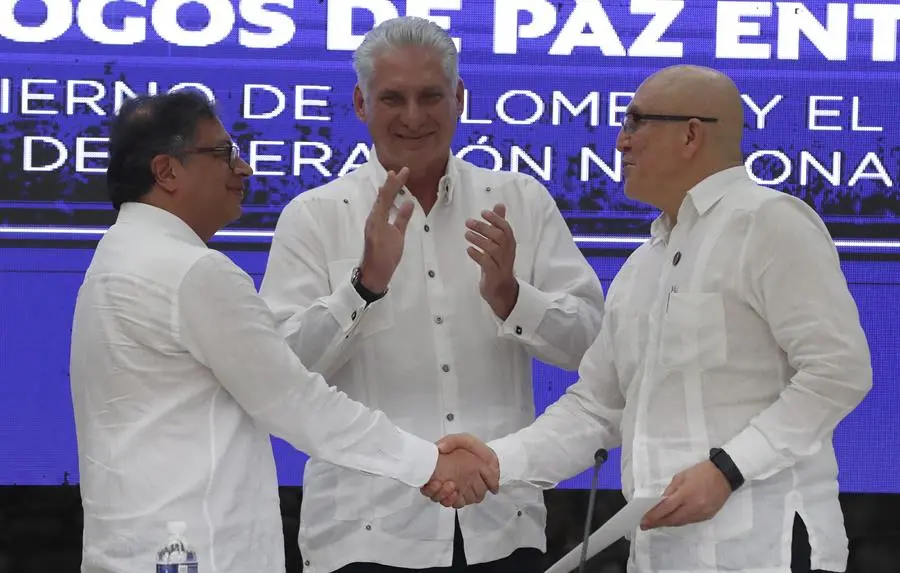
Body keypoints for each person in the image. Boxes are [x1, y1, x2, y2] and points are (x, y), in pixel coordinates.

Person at [427, 65, 873, 573]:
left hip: (768, 550)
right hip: (660, 555)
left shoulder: (769, 222)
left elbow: (838, 371)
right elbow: (596, 408)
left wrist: (728, 469)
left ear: (691, 135)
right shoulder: (643, 265)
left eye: (636, 122)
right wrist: (497, 462)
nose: (621, 141)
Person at [69, 90, 497, 573]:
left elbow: (277, 370)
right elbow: (297, 400)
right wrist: (429, 463)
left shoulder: (118, 256)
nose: (244, 168)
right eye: (224, 153)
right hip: (197, 553)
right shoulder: (190, 271)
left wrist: (364, 285)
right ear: (166, 171)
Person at [259, 16, 605, 573]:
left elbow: (592, 346)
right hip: (366, 532)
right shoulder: (314, 216)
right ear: (361, 103)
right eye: (393, 98)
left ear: (459, 97)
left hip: (501, 522)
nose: (414, 116)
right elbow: (280, 371)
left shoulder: (519, 200)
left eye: (430, 96)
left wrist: (512, 297)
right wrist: (363, 286)